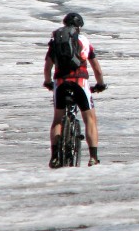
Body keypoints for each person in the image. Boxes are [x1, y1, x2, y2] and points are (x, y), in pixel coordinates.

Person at [44, 12, 106, 167]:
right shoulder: (84, 41)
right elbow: (96, 69)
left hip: (60, 82)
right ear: (79, 27)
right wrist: (100, 84)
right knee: (90, 119)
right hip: (80, 82)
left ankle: (54, 157)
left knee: (58, 119)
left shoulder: (55, 40)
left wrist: (47, 82)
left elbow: (48, 67)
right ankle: (93, 157)